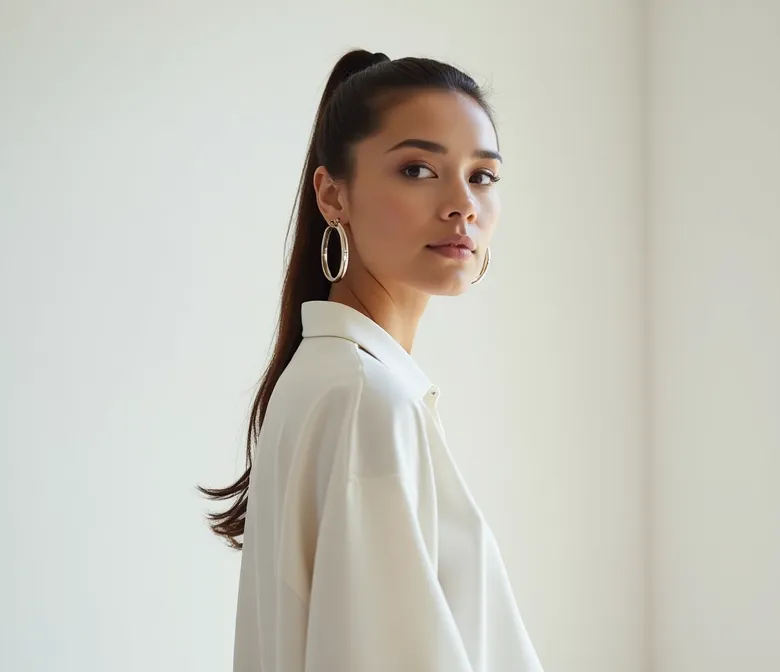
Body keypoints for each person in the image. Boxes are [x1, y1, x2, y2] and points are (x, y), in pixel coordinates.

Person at [199, 49, 543, 671]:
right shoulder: (365, 399)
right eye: (418, 169)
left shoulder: (335, 380)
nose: (462, 203)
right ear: (333, 195)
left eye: (482, 176)